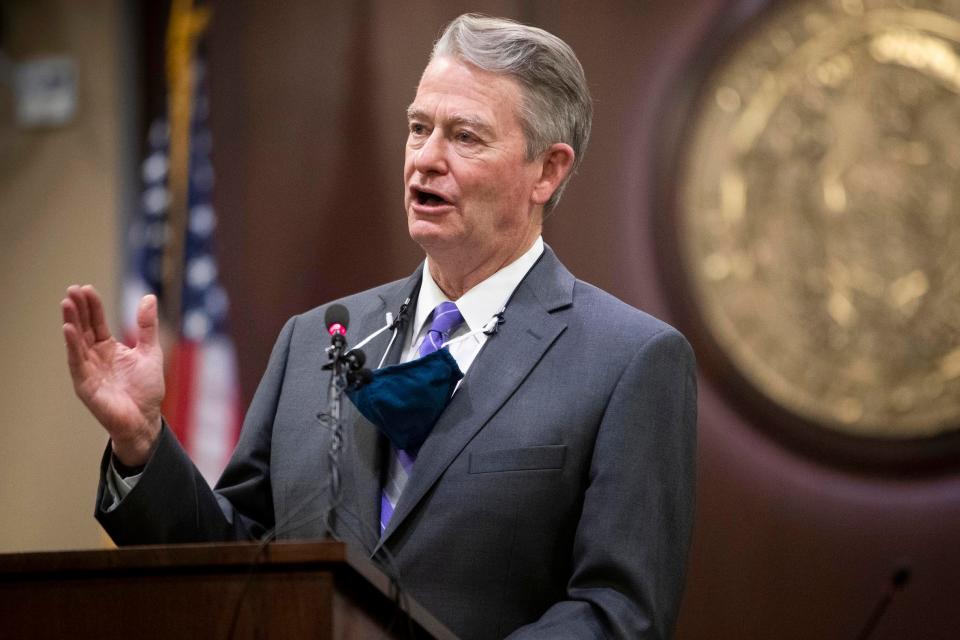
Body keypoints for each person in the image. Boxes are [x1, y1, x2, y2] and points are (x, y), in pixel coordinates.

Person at [62, 14, 696, 640]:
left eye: (465, 137)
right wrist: (143, 445)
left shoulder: (628, 360)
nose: (426, 159)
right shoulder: (314, 340)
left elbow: (619, 612)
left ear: (547, 170)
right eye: (418, 129)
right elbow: (236, 562)